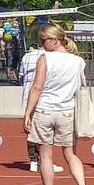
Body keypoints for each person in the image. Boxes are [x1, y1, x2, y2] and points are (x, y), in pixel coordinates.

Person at [22, 24, 94, 185]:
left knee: (45, 155)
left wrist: (27, 113)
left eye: (43, 40)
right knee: (71, 154)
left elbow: (37, 87)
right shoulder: (78, 61)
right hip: (67, 111)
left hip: (45, 110)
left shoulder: (45, 58)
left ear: (54, 40)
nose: (41, 44)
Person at [20, 43, 62, 174]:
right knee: (45, 130)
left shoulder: (26, 56)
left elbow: (21, 75)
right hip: (43, 94)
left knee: (31, 129)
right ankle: (44, 161)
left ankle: (34, 160)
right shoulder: (48, 57)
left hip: (28, 93)